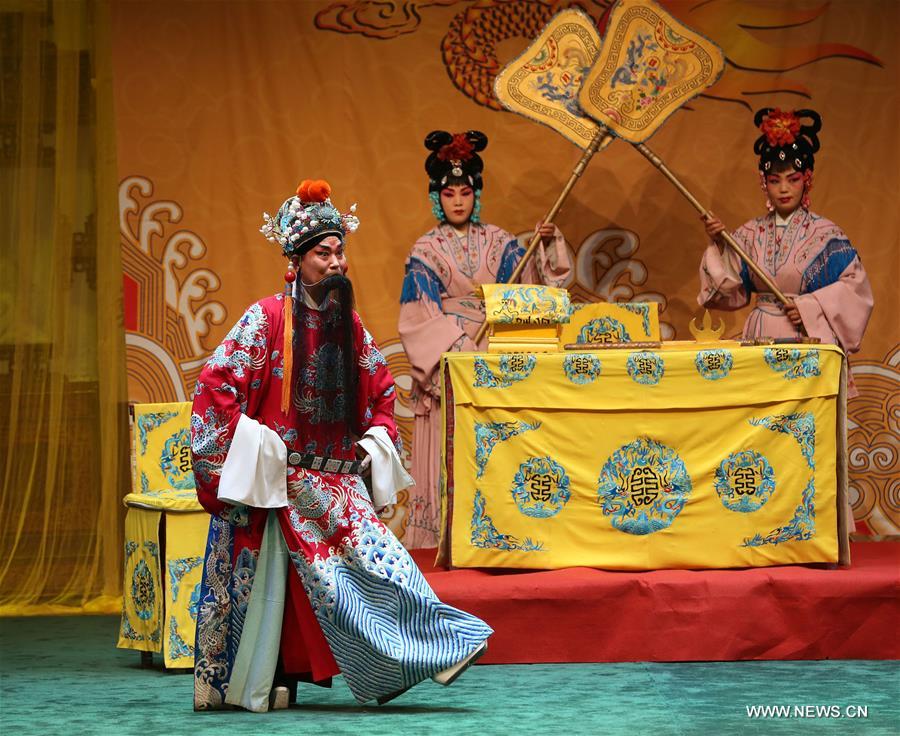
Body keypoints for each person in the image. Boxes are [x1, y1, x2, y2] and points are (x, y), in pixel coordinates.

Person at [191, 179, 491, 712]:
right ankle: (276, 679)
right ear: (295, 261)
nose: (336, 263)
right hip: (279, 483)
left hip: (336, 481)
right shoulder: (266, 319)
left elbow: (380, 391)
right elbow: (216, 388)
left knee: (385, 568)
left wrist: (373, 444)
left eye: (340, 251)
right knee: (315, 587)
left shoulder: (347, 324)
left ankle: (439, 647)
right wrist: (262, 452)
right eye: (323, 253)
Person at [398, 130, 572, 548]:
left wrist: (545, 247)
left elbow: (531, 297)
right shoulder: (425, 250)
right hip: (452, 360)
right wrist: (458, 351)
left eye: (465, 191)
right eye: (449, 193)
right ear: (436, 197)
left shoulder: (504, 243)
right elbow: (419, 315)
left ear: (476, 194)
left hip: (495, 356)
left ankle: (505, 528)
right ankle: (446, 537)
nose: (457, 200)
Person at [699, 108, 873, 359]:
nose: (783, 189)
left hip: (804, 334)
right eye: (774, 180)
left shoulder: (827, 236)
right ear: (764, 183)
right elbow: (730, 292)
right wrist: (720, 244)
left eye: (793, 179)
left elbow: (856, 291)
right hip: (760, 335)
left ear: (807, 180)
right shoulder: (748, 233)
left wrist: (808, 307)